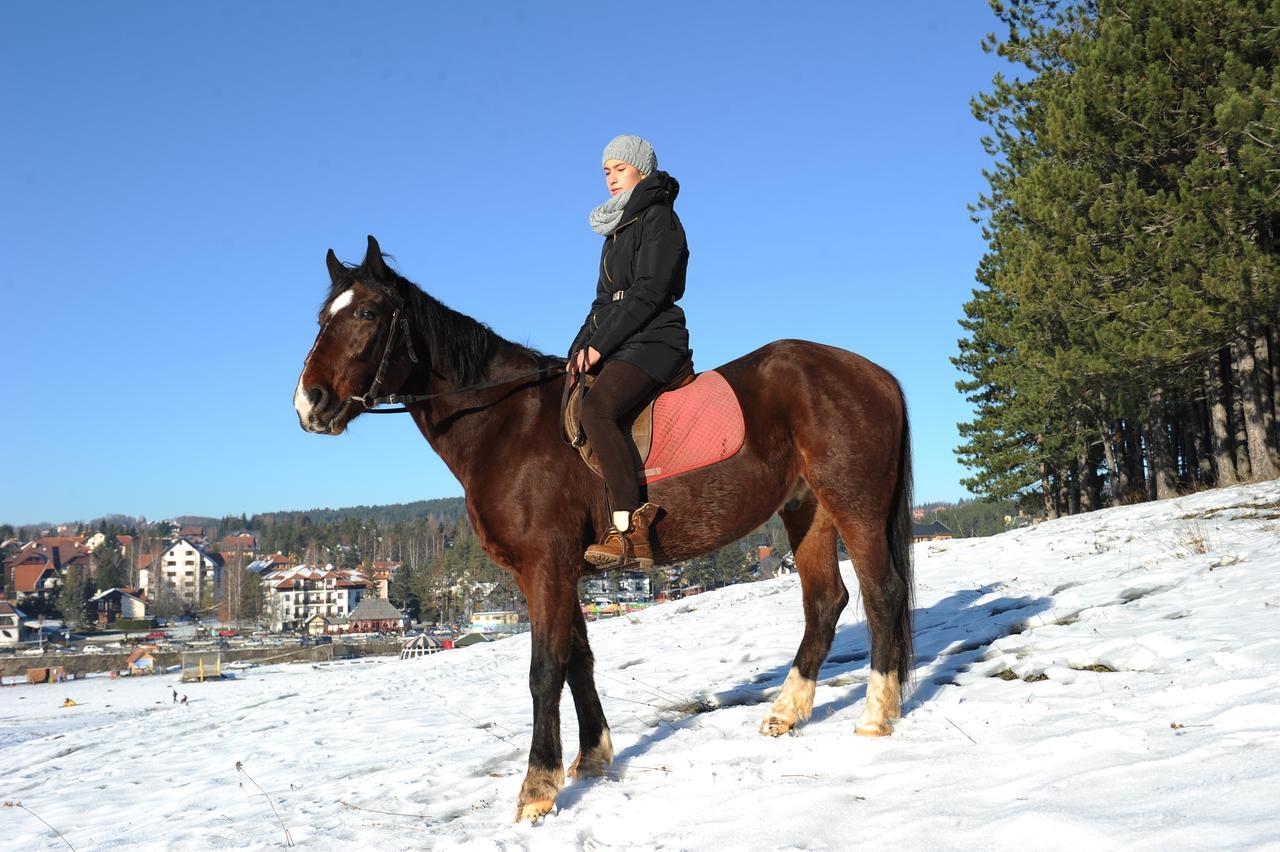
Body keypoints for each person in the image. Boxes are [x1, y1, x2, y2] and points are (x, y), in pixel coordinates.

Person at [568, 134, 692, 569]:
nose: (611, 178)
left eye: (620, 169)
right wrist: (578, 349)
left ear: (642, 170)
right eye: (606, 171)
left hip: (658, 337)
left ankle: (629, 530)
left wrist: (600, 346)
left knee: (598, 409)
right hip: (623, 338)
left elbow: (650, 292)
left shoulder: (659, 219)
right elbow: (603, 302)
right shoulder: (615, 230)